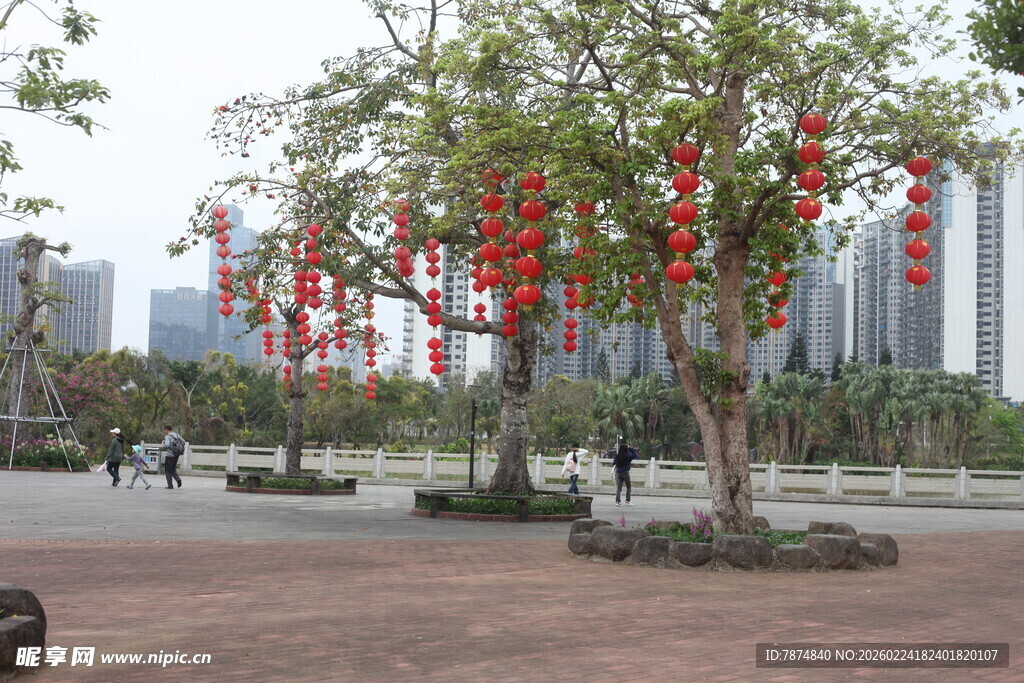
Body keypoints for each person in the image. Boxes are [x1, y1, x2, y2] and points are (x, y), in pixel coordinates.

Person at [613, 441, 640, 506]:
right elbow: (636, 456)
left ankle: (617, 501)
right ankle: (627, 500)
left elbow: (614, 463)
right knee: (628, 486)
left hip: (618, 473)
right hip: (625, 472)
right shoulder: (628, 456)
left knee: (619, 488)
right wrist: (630, 448)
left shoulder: (617, 456)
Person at [160, 425, 184, 489]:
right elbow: (183, 442)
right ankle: (178, 480)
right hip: (176, 454)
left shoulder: (167, 436)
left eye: (164, 430)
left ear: (166, 429)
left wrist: (163, 443)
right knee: (173, 469)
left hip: (170, 455)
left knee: (168, 471)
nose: (164, 431)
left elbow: (167, 445)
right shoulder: (177, 435)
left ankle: (170, 485)